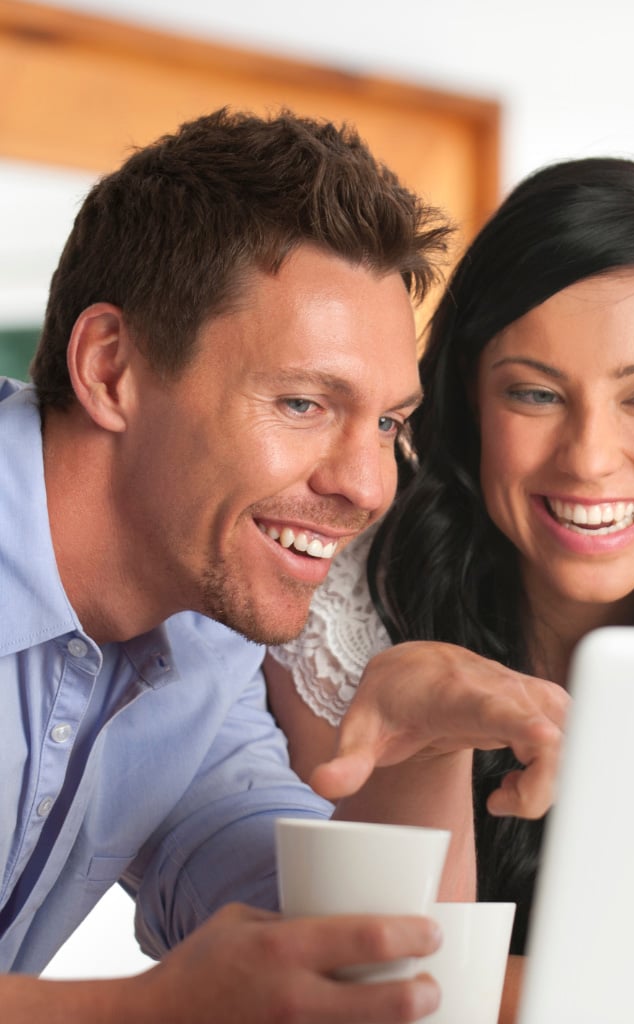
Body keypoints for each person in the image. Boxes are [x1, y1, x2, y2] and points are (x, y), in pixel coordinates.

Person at [265, 155, 634, 1018]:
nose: (588, 458)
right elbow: (401, 997)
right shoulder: (340, 612)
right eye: (536, 394)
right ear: (469, 402)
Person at [0, 107, 567, 1023]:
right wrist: (137, 1012)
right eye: (304, 402)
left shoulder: (200, 644)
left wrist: (421, 751)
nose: (369, 485)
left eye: (387, 423)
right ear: (111, 369)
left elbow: (338, 966)